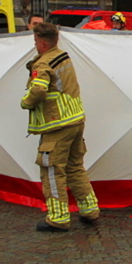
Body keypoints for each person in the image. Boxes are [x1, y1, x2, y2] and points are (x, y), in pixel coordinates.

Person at [22, 22, 99, 231]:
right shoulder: (63, 56)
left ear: (43, 43)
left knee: (52, 170)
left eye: (36, 41)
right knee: (75, 167)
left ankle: (58, 217)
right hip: (75, 120)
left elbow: (38, 91)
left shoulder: (43, 64)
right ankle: (90, 210)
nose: (35, 45)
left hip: (57, 125)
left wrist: (25, 102)